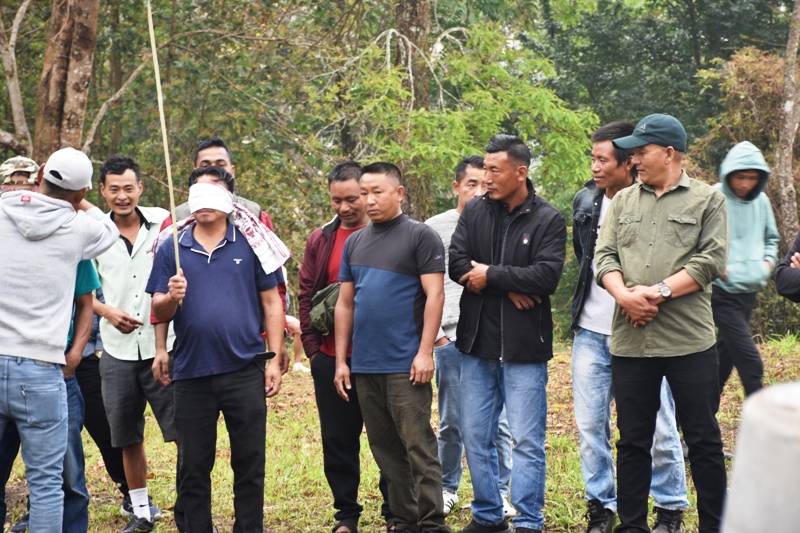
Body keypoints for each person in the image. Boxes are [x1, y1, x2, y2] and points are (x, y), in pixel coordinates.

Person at [594, 114, 729, 533]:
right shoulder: (623, 201)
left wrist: (657, 293)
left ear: (669, 153)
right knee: (633, 440)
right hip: (631, 341)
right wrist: (624, 296)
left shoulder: (708, 199)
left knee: (703, 439)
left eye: (640, 152)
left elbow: (710, 261)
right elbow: (604, 257)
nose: (633, 160)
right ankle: (632, 526)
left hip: (689, 341)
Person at [147, 174, 287, 532]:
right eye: (198, 194)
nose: (205, 202)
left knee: (250, 461)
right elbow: (159, 308)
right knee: (192, 464)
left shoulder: (251, 244)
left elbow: (272, 302)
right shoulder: (172, 246)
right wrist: (171, 298)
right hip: (191, 370)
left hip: (244, 368)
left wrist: (274, 357)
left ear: (229, 199)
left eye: (214, 194)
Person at [571, 122, 688, 533]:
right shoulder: (585, 201)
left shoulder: (656, 201)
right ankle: (600, 507)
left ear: (628, 163)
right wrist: (618, 296)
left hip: (643, 330)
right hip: (590, 331)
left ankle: (670, 507)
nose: (595, 167)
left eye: (603, 160)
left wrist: (643, 303)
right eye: (593, 158)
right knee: (590, 427)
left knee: (659, 427)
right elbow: (588, 260)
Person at [449, 135, 567, 533]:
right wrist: (510, 284)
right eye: (484, 169)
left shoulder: (548, 218)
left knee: (527, 441)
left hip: (524, 349)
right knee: (475, 436)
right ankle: (488, 516)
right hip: (476, 343)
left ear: (521, 172)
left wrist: (491, 275)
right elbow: (457, 264)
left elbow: (546, 277)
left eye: (494, 170)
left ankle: (529, 521)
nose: (486, 178)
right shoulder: (475, 210)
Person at [0, 147, 118, 533]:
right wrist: (79, 202)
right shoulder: (79, 229)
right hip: (40, 370)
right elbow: (109, 228)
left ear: (40, 176)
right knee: (47, 484)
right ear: (82, 193)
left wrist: (24, 193)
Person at [334, 162, 450, 533]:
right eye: (364, 193)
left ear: (399, 193)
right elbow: (345, 304)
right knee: (385, 451)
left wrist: (425, 352)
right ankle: (404, 521)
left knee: (419, 448)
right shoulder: (355, 242)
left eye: (377, 192)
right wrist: (342, 361)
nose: (368, 200)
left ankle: (433, 523)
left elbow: (435, 295)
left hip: (406, 364)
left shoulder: (420, 236)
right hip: (366, 364)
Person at [298, 161, 392, 533]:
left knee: (389, 438)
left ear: (366, 193)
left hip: (382, 357)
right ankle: (347, 515)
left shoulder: (390, 233)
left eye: (351, 199)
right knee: (338, 439)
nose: (344, 207)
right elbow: (306, 293)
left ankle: (395, 513)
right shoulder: (321, 239)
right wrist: (312, 349)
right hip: (331, 356)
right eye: (336, 200)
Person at [152, 135, 289, 380]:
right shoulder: (174, 226)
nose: (212, 170)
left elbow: (273, 293)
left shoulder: (255, 222)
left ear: (231, 172)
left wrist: (276, 348)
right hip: (190, 353)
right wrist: (160, 347)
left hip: (247, 351)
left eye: (220, 165)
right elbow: (160, 290)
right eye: (205, 165)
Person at [424, 156, 515, 518]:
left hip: (493, 337)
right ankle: (447, 487)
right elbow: (421, 288)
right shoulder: (433, 229)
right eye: (471, 184)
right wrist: (438, 338)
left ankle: (499, 491)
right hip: (451, 338)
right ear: (456, 187)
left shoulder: (502, 223)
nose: (479, 191)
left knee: (499, 422)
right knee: (452, 421)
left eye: (484, 184)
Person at [91, 155, 177, 533]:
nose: (122, 196)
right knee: (126, 434)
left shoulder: (164, 223)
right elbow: (82, 291)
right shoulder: (94, 232)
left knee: (183, 430)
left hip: (166, 345)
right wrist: (107, 312)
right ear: (102, 191)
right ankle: (140, 510)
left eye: (129, 188)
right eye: (114, 189)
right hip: (116, 348)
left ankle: (191, 504)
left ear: (140, 188)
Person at [712, 142, 778, 397]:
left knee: (724, 358)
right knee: (750, 361)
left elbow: (771, 239)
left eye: (752, 178)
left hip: (749, 289)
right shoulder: (713, 196)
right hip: (721, 291)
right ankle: (762, 415)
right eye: (740, 176)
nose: (745, 183)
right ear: (728, 173)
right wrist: (718, 266)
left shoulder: (761, 201)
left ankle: (699, 417)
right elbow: (697, 238)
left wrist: (767, 264)